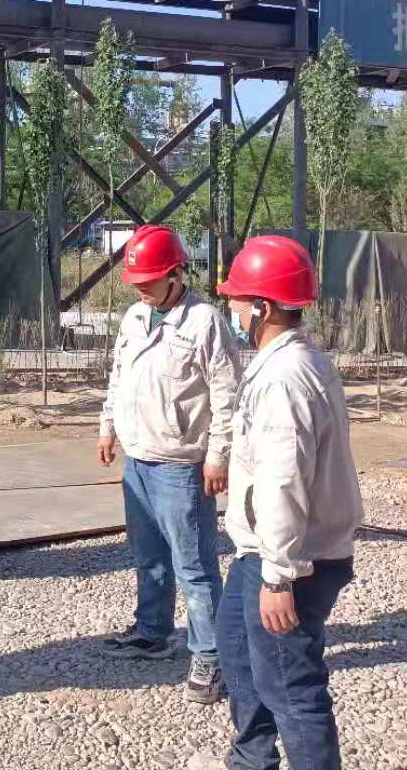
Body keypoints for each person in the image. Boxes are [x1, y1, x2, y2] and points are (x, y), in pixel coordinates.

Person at [198, 235, 364, 770]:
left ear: (263, 308)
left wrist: (279, 578)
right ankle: (252, 761)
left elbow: (283, 482)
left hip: (293, 559)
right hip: (264, 550)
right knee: (238, 655)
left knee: (290, 685)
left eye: (237, 300)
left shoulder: (285, 379)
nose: (231, 309)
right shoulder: (287, 362)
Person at [97, 225, 239, 706]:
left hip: (181, 466)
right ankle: (152, 633)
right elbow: (118, 376)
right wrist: (107, 426)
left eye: (148, 279)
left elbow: (227, 397)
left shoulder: (204, 322)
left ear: (175, 273)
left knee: (194, 567)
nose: (140, 287)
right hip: (137, 460)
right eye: (135, 280)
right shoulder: (134, 317)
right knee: (149, 556)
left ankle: (210, 656)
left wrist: (218, 456)